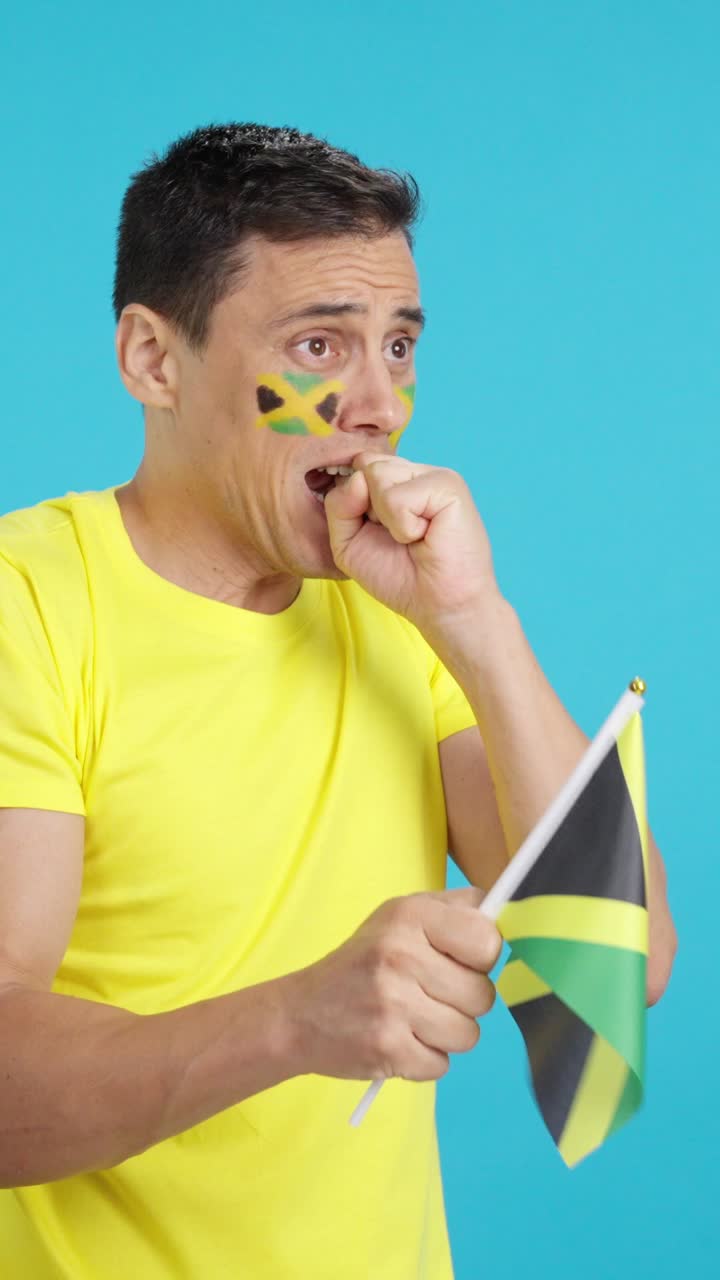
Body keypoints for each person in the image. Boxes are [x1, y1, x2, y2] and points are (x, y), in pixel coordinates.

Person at [0, 123, 676, 1279]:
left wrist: (476, 622)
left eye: (399, 345)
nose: (380, 405)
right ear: (154, 360)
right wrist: (291, 1019)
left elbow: (622, 966)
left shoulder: (401, 606)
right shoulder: (28, 607)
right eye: (320, 345)